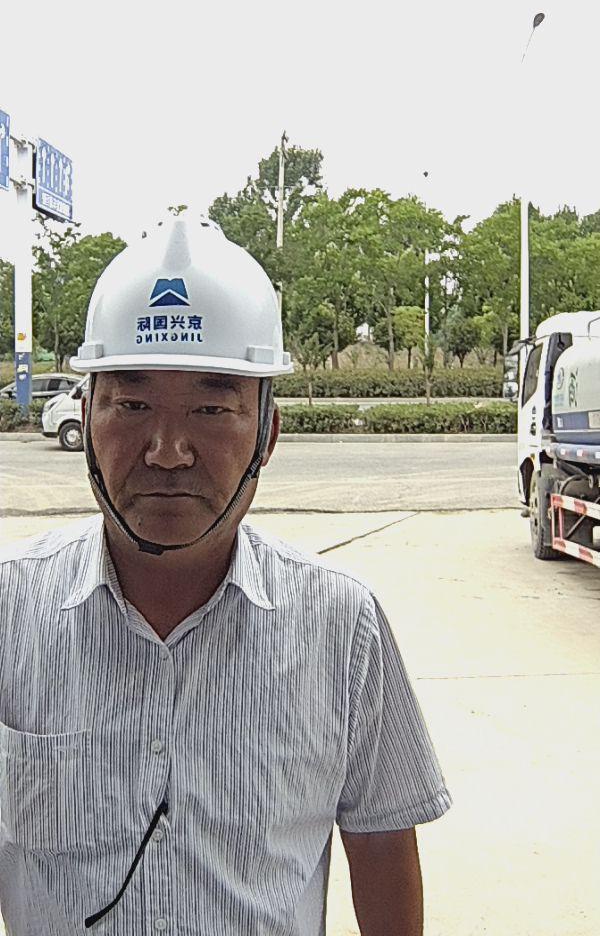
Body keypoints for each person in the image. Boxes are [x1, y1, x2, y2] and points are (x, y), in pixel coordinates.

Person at [0, 215, 451, 935]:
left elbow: (382, 849)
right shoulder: (11, 610)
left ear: (267, 432)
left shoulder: (342, 626)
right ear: (87, 417)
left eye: (211, 409)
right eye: (133, 404)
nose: (168, 450)